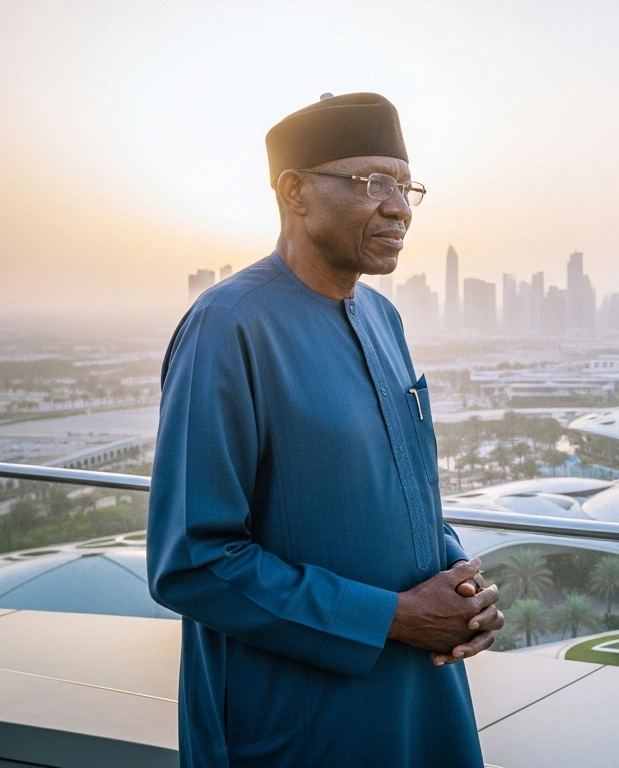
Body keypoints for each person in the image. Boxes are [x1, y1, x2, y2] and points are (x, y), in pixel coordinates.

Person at [148, 92, 502, 767]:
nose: (397, 207)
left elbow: (405, 489)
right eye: (372, 182)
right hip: (295, 718)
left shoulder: (383, 319)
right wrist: (392, 618)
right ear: (295, 192)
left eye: (405, 186)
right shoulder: (230, 326)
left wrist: (461, 584)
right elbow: (192, 562)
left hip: (420, 694)